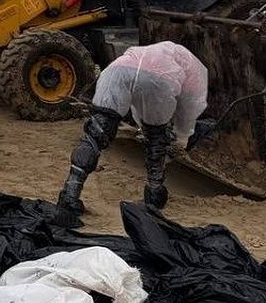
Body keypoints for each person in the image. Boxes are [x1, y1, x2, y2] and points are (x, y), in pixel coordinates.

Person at [56, 42, 208, 215]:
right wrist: (183, 135)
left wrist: (140, 122)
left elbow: (137, 90)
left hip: (115, 71)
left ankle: (70, 195)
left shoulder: (149, 50)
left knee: (95, 134)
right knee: (156, 138)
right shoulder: (194, 67)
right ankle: (154, 192)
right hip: (159, 79)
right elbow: (191, 104)